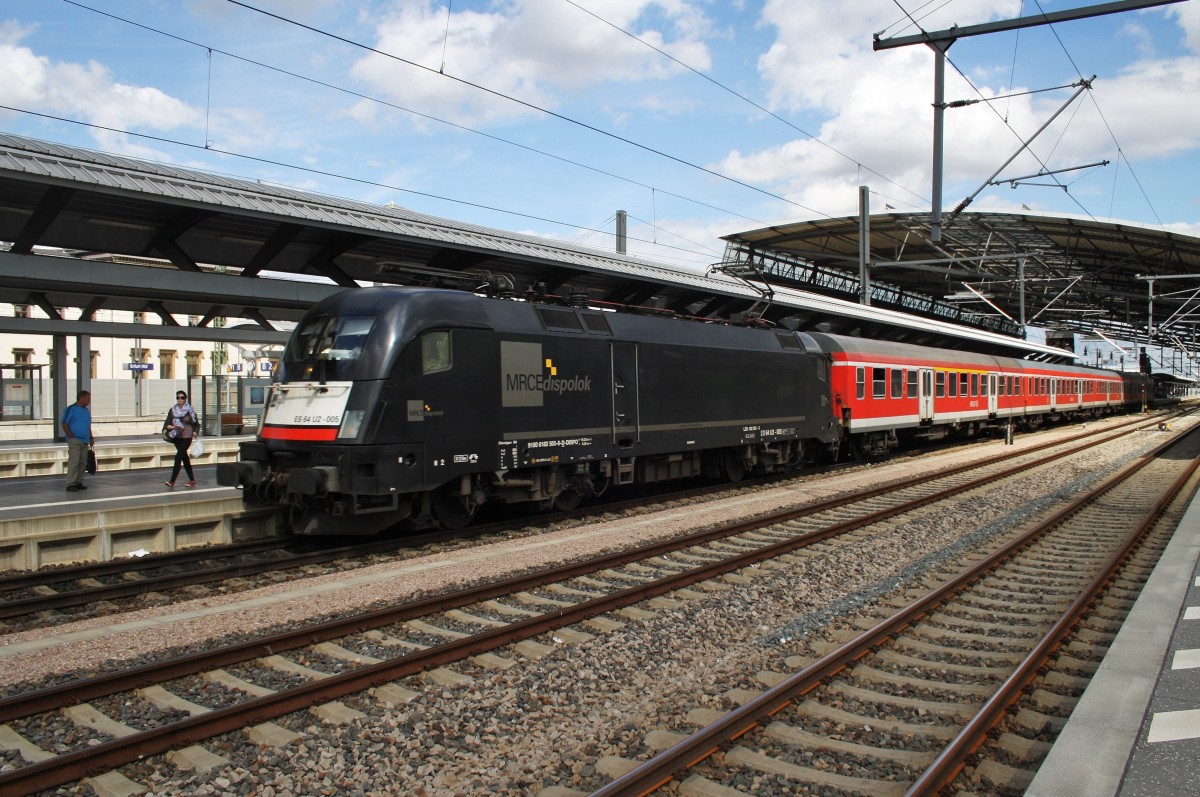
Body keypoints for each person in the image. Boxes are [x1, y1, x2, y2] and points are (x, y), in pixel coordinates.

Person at [163, 391, 199, 488]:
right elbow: (167, 425)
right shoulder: (172, 410)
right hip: (176, 436)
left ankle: (172, 481)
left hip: (187, 436)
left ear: (185, 398)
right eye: (178, 398)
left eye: (182, 397)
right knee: (185, 458)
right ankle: (192, 480)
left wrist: (195, 431)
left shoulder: (190, 410)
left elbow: (196, 424)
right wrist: (175, 427)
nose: (180, 399)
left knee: (178, 457)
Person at [61, 390, 94, 492]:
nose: (89, 401)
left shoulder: (86, 411)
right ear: (81, 398)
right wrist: (70, 436)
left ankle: (78, 481)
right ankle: (70, 483)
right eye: (88, 399)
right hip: (75, 440)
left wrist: (91, 437)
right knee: (74, 462)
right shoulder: (71, 409)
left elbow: (87, 426)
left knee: (82, 462)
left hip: (85, 440)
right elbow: (64, 423)